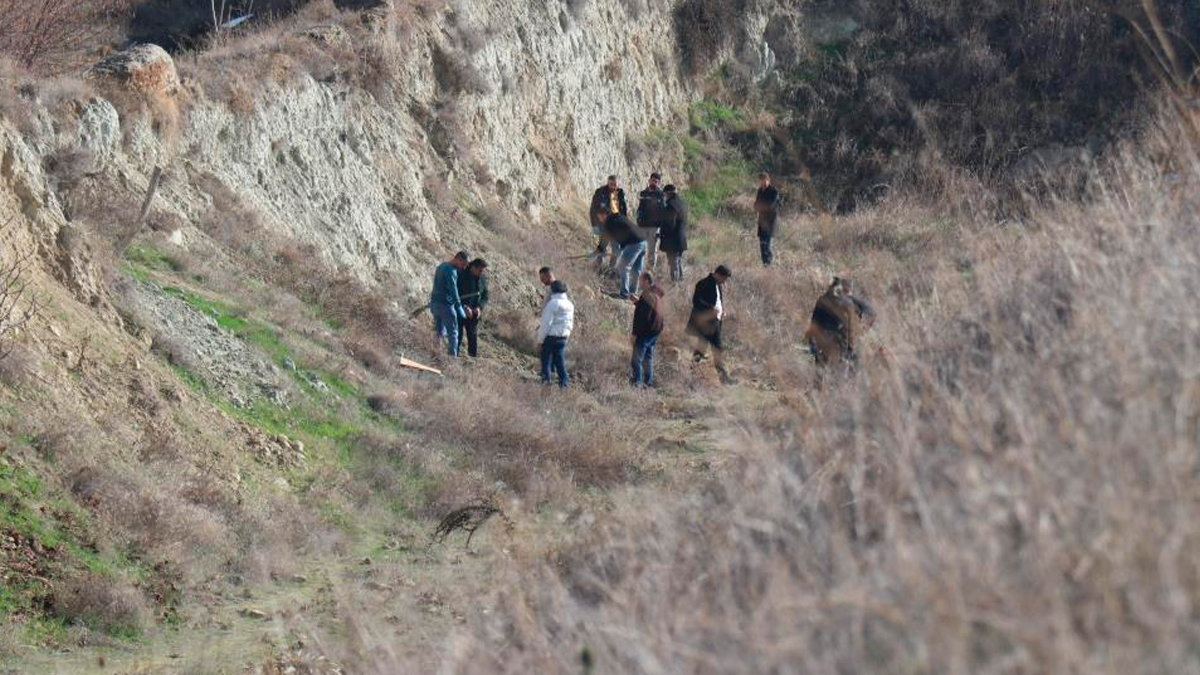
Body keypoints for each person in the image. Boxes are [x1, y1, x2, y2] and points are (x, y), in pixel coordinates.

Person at [804, 277, 876, 367]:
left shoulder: (848, 301)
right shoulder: (829, 301)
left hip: (834, 345)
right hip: (836, 345)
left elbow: (813, 325)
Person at [688, 265, 733, 383]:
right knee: (701, 350)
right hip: (706, 323)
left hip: (716, 322)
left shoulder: (718, 285)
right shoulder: (703, 283)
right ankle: (691, 374)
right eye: (724, 278)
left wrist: (722, 310)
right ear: (718, 274)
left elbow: (718, 301)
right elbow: (696, 301)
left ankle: (724, 378)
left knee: (717, 349)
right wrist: (710, 309)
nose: (724, 281)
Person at [536, 280, 574, 388]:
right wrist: (566, 336)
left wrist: (540, 340)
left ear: (553, 290)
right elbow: (570, 323)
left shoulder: (552, 303)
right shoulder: (570, 305)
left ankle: (546, 386)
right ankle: (564, 386)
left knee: (546, 362)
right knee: (560, 362)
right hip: (562, 337)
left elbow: (546, 323)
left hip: (550, 337)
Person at [431, 251, 470, 357]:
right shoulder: (451, 271)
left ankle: (435, 355)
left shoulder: (441, 266)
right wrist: (458, 305)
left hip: (434, 304)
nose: (463, 267)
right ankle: (452, 361)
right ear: (458, 259)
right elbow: (453, 289)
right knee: (453, 333)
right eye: (463, 264)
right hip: (446, 306)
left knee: (438, 331)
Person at [629, 272, 664, 387]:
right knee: (647, 358)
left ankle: (637, 384)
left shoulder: (648, 294)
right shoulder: (655, 294)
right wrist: (638, 302)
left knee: (636, 360)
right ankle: (648, 382)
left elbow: (642, 317)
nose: (639, 283)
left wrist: (635, 334)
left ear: (647, 281)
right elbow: (648, 310)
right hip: (655, 330)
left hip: (646, 331)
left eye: (641, 281)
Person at [602, 211, 648, 298]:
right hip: (643, 241)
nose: (600, 219)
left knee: (623, 267)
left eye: (599, 216)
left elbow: (604, 241)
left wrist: (599, 250)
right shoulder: (619, 217)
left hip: (634, 243)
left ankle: (624, 294)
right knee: (636, 269)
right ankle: (633, 293)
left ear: (604, 215)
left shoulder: (609, 222)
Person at [589, 175, 627, 271]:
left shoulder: (620, 194)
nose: (613, 187)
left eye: (615, 185)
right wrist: (595, 226)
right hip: (603, 226)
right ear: (607, 183)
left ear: (618, 184)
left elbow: (623, 212)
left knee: (617, 250)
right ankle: (598, 267)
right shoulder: (600, 193)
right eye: (611, 184)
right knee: (602, 248)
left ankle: (610, 269)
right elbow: (593, 210)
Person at [457, 258, 490, 358]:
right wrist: (464, 307)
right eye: (480, 270)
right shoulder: (461, 275)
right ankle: (453, 357)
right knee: (457, 336)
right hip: (460, 312)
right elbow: (454, 294)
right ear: (473, 267)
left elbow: (485, 296)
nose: (481, 273)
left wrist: (479, 308)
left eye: (482, 271)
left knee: (473, 338)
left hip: (474, 315)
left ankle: (472, 360)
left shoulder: (483, 278)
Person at [637, 172, 668, 269]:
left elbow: (664, 213)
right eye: (653, 180)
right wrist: (638, 220)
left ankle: (650, 272)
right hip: (642, 226)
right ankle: (639, 271)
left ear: (659, 183)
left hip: (654, 228)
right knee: (640, 249)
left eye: (656, 182)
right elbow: (640, 209)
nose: (654, 183)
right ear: (649, 180)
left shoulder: (661, 195)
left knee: (652, 251)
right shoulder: (643, 193)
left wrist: (660, 229)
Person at [659, 184, 688, 283]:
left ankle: (675, 283)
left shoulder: (671, 205)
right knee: (678, 261)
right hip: (682, 237)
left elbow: (669, 223)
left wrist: (662, 234)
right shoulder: (683, 203)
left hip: (672, 239)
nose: (665, 197)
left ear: (668, 194)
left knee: (673, 262)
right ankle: (681, 282)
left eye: (665, 195)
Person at [754, 172, 782, 266]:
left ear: (768, 180)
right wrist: (761, 206)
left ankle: (769, 265)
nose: (763, 183)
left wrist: (761, 206)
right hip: (762, 222)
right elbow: (755, 206)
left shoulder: (774, 191)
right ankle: (765, 266)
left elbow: (770, 206)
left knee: (768, 246)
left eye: (765, 181)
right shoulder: (759, 191)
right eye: (761, 181)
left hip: (771, 223)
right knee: (762, 245)